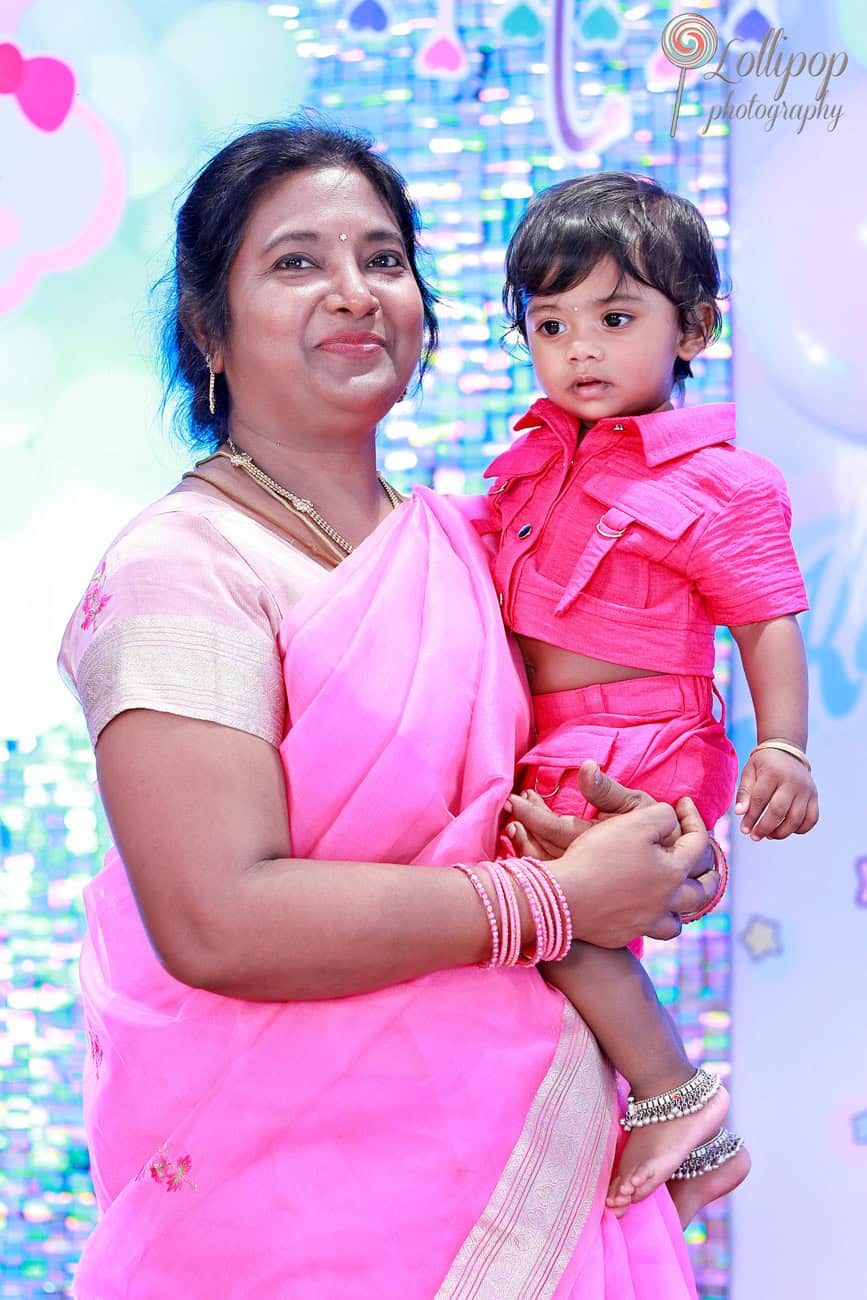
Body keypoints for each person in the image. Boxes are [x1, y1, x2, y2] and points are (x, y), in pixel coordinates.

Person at [59, 120, 723, 1298]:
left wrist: (656, 848)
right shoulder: (183, 565)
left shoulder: (480, 543)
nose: (355, 293)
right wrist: (557, 899)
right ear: (207, 329)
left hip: (529, 1154)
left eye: (383, 258)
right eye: (296, 262)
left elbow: (571, 768)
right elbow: (217, 918)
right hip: (289, 1209)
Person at [478, 171, 818, 1221]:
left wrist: (786, 747)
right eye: (551, 323)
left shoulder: (722, 478)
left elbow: (765, 617)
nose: (580, 349)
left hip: (648, 739)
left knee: (565, 918)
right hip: (550, 742)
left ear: (695, 328)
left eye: (615, 318)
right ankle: (621, 1118)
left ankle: (682, 1105)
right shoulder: (525, 467)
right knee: (530, 936)